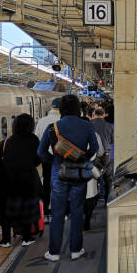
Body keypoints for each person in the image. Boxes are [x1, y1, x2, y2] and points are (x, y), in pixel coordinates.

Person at [38, 95, 99, 262]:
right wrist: (81, 159)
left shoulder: (52, 128)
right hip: (79, 175)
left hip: (59, 175)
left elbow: (40, 152)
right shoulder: (86, 126)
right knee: (77, 211)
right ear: (77, 109)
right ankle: (75, 250)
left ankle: (54, 252)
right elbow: (95, 148)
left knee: (57, 213)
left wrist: (57, 162)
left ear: (62, 110)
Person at [0, 114, 42, 247]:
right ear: (30, 125)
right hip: (27, 182)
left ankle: (5, 240)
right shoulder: (34, 140)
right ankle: (26, 238)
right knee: (26, 210)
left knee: (6, 211)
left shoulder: (7, 141)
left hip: (7, 182)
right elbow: (37, 160)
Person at [34, 97, 61, 222]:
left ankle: (46, 212)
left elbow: (38, 139)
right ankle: (59, 211)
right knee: (60, 184)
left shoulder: (42, 121)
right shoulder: (62, 120)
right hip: (61, 159)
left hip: (46, 159)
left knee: (46, 183)